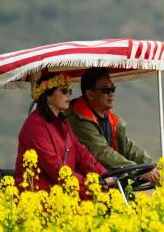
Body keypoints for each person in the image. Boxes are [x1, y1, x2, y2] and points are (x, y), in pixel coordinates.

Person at [14, 71, 113, 199]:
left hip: (63, 195)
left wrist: (104, 174)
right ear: (48, 96)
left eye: (69, 92)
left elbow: (82, 153)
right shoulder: (35, 126)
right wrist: (87, 185)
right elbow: (53, 166)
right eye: (64, 91)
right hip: (38, 199)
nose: (68, 96)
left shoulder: (63, 124)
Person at [66, 67, 160, 184]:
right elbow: (102, 152)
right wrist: (138, 170)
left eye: (113, 89)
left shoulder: (110, 119)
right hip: (87, 185)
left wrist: (152, 165)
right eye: (105, 90)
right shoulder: (79, 120)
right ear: (90, 94)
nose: (111, 94)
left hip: (111, 182)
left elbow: (128, 147)